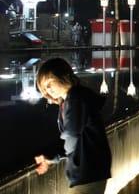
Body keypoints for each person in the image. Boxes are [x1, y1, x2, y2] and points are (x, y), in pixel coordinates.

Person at [34, 57, 112, 193]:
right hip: (88, 171)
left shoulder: (76, 99)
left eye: (49, 83)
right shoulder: (70, 100)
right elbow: (71, 138)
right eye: (44, 87)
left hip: (87, 172)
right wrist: (52, 157)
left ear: (63, 76)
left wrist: (52, 154)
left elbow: (71, 136)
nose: (48, 90)